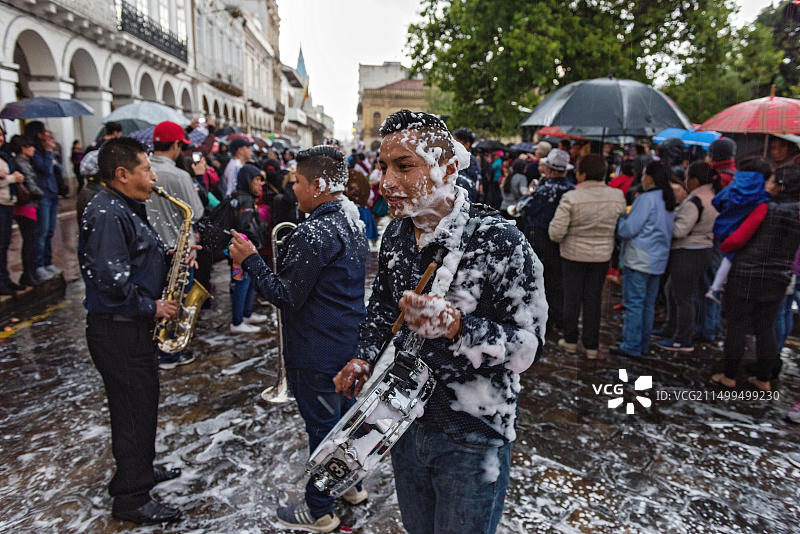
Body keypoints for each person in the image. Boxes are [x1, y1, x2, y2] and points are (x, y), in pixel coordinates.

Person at [332, 110, 546, 534]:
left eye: (404, 166)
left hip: (473, 434)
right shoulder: (396, 234)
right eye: (383, 167)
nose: (386, 183)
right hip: (401, 422)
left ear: (448, 169)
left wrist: (457, 328)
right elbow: (381, 312)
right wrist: (364, 357)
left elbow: (528, 347)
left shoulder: (500, 240)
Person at [229, 145, 368, 533]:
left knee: (324, 430)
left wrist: (251, 259)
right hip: (344, 342)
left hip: (317, 349)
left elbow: (285, 295)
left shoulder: (314, 231)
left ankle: (320, 509)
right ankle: (351, 486)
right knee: (343, 423)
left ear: (318, 184)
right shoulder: (353, 220)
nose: (293, 190)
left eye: (298, 182)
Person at [78, 137, 182, 525]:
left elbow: (134, 257)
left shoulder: (122, 206)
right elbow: (111, 282)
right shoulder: (107, 212)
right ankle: (131, 498)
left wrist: (169, 257)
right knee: (133, 412)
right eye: (146, 170)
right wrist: (153, 306)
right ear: (122, 174)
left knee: (140, 408)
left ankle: (139, 469)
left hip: (129, 331)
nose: (154, 176)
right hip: (119, 330)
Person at [711, 161, 800, 391]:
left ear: (781, 186)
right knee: (766, 327)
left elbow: (737, 240)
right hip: (779, 277)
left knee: (737, 325)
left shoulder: (764, 208)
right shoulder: (797, 213)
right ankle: (764, 379)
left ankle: (729, 376)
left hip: (746, 274)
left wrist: (727, 246)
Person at [548, 154, 626, 359]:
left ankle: (570, 340)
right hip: (601, 256)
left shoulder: (571, 198)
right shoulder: (617, 196)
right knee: (594, 299)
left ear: (581, 174)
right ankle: (592, 345)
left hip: (573, 255)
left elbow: (555, 232)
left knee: (572, 298)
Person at [145, 121, 205, 370]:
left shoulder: (143, 169)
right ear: (177, 145)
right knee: (176, 301)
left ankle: (155, 348)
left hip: (151, 249)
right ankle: (170, 352)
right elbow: (197, 211)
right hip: (179, 250)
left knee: (157, 299)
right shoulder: (180, 175)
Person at [610, 161, 676, 358]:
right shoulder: (668, 198)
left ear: (650, 178)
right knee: (648, 304)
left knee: (635, 303)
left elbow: (629, 229)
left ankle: (631, 344)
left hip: (639, 258)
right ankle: (643, 344)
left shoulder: (646, 199)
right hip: (658, 259)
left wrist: (620, 220)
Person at [655, 162, 720, 352]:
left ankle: (682, 338)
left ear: (695, 180)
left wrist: (664, 223)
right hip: (703, 249)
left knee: (683, 296)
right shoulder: (711, 196)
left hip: (689, 251)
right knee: (672, 289)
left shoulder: (696, 200)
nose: (685, 182)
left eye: (687, 178)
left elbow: (680, 230)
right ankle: (670, 329)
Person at [521, 148, 575, 331]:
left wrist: (528, 195)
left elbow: (525, 208)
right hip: (563, 240)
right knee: (557, 281)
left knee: (538, 279)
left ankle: (539, 319)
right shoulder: (571, 189)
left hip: (540, 238)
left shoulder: (544, 190)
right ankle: (556, 318)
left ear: (550, 170)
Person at [705, 160, 774, 302]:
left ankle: (717, 288)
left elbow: (717, 201)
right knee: (729, 261)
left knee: (718, 265)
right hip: (741, 236)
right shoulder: (760, 195)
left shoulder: (733, 186)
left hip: (721, 230)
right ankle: (716, 289)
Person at [228, 164, 268, 334]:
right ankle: (237, 321)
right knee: (241, 283)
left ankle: (246, 314)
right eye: (257, 179)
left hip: (244, 250)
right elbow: (244, 226)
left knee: (249, 282)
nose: (260, 184)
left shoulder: (244, 197)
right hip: (242, 252)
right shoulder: (245, 200)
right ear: (247, 180)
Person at [25, 121, 61, 282]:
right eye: (43, 131)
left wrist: (51, 153)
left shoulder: (46, 150)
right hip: (43, 195)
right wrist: (47, 152)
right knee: (42, 231)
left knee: (50, 231)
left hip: (52, 192)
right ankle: (39, 265)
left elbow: (57, 169)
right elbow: (45, 169)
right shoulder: (35, 152)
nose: (45, 134)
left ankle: (48, 262)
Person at [10, 135, 44, 288]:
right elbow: (30, 184)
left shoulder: (24, 162)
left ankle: (30, 272)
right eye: (30, 146)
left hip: (30, 204)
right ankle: (28, 274)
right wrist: (41, 194)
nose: (33, 149)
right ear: (23, 148)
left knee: (31, 240)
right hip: (26, 205)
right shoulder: (20, 162)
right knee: (30, 241)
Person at [0, 125, 26, 294]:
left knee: (4, 244)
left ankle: (5, 279)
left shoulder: (4, 156)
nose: (0, 138)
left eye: (1, 134)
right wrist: (11, 178)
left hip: (7, 203)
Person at [453, 127, 481, 201]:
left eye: (456, 142)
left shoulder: (470, 161)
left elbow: (470, 185)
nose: (452, 146)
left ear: (467, 144)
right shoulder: (455, 158)